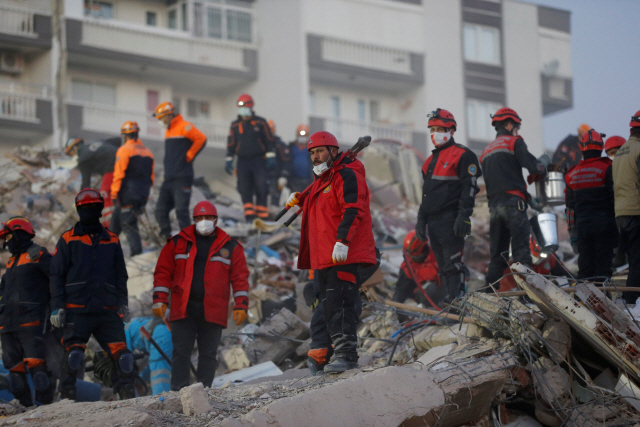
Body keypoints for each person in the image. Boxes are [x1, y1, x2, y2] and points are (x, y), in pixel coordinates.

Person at [288, 131, 376, 373]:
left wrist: (343, 241)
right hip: (325, 259)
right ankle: (338, 353)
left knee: (344, 304)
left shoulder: (347, 176)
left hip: (345, 254)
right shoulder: (321, 183)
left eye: (320, 151)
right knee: (329, 307)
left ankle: (347, 356)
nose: (316, 156)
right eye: (312, 152)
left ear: (333, 151)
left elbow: (353, 209)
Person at [152, 201, 250, 390]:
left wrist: (241, 305)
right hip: (184, 306)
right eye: (199, 218)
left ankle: (204, 391)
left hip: (213, 308)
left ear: (216, 219)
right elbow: (163, 272)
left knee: (208, 353)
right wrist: (159, 299)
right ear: (193, 220)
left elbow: (240, 278)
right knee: (181, 352)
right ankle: (178, 392)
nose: (204, 222)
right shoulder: (178, 243)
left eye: (208, 218)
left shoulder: (230, 246)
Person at [50, 188, 136, 400]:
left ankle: (128, 399)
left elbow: (120, 276)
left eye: (94, 207)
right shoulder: (67, 240)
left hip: (107, 309)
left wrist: (122, 303)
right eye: (85, 208)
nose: (90, 211)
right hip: (76, 309)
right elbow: (56, 276)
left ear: (100, 209)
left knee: (124, 357)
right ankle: (67, 399)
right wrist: (57, 306)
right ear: (79, 211)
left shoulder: (112, 240)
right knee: (74, 354)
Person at [415, 109, 480, 303]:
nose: (434, 133)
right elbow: (426, 197)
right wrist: (420, 221)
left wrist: (464, 216)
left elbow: (470, 188)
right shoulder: (428, 163)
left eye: (439, 129)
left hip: (451, 219)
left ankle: (458, 302)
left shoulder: (463, 155)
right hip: (433, 223)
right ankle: (449, 303)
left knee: (453, 264)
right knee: (442, 266)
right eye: (432, 129)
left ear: (451, 130)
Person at [480, 108, 547, 289]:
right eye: (516, 127)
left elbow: (503, 179)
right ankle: (527, 297)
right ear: (509, 125)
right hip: (513, 206)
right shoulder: (513, 142)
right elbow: (535, 167)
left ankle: (487, 297)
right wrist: (544, 163)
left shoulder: (486, 151)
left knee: (498, 257)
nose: (517, 131)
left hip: (494, 208)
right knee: (521, 254)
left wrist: (527, 197)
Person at [0, 217, 54, 406]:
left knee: (38, 369)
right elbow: (3, 291)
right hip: (7, 324)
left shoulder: (38, 254)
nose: (6, 242)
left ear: (18, 233)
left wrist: (58, 308)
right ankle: (25, 410)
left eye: (8, 237)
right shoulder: (11, 262)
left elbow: (56, 281)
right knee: (15, 373)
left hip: (30, 321)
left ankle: (45, 410)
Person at [565, 129, 617, 280]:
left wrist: (572, 235)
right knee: (603, 269)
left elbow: (569, 210)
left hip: (583, 229)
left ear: (581, 149)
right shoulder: (608, 169)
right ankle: (602, 300)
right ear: (601, 148)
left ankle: (581, 301)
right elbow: (615, 199)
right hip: (605, 226)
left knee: (585, 270)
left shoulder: (571, 175)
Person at [153, 102, 207, 239]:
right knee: (160, 210)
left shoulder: (184, 126)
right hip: (169, 178)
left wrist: (189, 156)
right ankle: (166, 238)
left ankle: (189, 240)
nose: (160, 121)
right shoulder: (168, 131)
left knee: (181, 211)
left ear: (169, 115)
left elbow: (201, 138)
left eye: (161, 118)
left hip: (182, 176)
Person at [225, 94, 275, 221]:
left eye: (244, 106)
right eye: (240, 107)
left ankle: (262, 216)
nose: (242, 110)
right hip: (242, 161)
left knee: (261, 186)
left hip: (258, 160)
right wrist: (229, 158)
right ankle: (249, 216)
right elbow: (231, 143)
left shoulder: (260, 122)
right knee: (243, 187)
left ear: (251, 107)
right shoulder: (235, 125)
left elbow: (269, 140)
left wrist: (270, 156)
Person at [110, 121, 155, 256]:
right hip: (142, 195)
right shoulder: (148, 152)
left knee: (128, 224)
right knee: (116, 223)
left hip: (128, 194)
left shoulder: (124, 150)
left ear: (125, 136)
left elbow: (119, 173)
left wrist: (114, 193)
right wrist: (145, 196)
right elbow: (151, 178)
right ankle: (104, 250)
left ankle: (137, 254)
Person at [613, 111, 640, 303]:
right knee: (638, 262)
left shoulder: (620, 152)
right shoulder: (639, 150)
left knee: (634, 260)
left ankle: (629, 299)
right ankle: (630, 301)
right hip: (636, 211)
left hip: (621, 213)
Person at [64, 137, 118, 226]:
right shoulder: (98, 142)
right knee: (116, 194)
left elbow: (86, 185)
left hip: (113, 168)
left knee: (105, 194)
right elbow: (117, 140)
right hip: (124, 163)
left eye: (71, 153)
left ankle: (110, 226)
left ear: (75, 147)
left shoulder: (83, 159)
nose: (72, 155)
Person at [497, 237, 568, 292]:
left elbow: (563, 274)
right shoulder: (513, 263)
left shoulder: (550, 258)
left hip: (544, 292)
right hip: (520, 294)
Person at [124, 317, 172, 395]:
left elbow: (126, 359)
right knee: (158, 365)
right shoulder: (132, 323)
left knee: (159, 373)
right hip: (167, 331)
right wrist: (140, 380)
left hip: (158, 337)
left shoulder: (123, 331)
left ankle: (161, 401)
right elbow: (152, 365)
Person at [392, 231, 440, 306]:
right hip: (422, 297)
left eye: (416, 256)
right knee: (430, 288)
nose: (414, 258)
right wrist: (394, 306)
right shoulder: (407, 267)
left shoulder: (437, 254)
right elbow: (401, 290)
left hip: (442, 292)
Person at [605, 135, 629, 268]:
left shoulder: (632, 167)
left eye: (617, 152)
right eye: (611, 154)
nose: (614, 156)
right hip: (614, 218)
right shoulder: (607, 171)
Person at [267, 120, 291, 206]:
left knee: (274, 200)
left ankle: (273, 218)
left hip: (275, 177)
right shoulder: (259, 143)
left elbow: (286, 161)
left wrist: (283, 176)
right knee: (260, 199)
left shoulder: (280, 144)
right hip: (261, 176)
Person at [287, 124, 315, 192]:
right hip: (294, 180)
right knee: (295, 199)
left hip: (308, 180)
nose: (302, 137)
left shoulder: (312, 148)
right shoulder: (291, 146)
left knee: (306, 200)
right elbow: (286, 161)